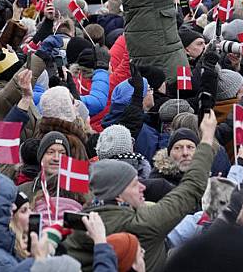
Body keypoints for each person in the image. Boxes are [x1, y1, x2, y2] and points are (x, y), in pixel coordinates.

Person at [64, 110, 217, 272]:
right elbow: (191, 189)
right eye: (134, 184)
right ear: (118, 194)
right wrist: (206, 139)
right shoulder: (143, 223)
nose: (143, 187)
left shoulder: (75, 231)